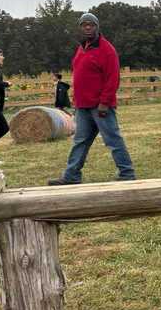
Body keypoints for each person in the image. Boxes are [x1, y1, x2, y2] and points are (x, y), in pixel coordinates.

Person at [48, 13, 136, 185]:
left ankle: (127, 173)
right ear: (80, 28)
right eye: (84, 25)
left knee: (113, 140)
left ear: (97, 27)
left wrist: (104, 102)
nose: (88, 27)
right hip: (83, 106)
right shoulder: (82, 48)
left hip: (100, 106)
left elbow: (113, 78)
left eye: (91, 24)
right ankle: (71, 175)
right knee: (79, 141)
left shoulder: (107, 49)